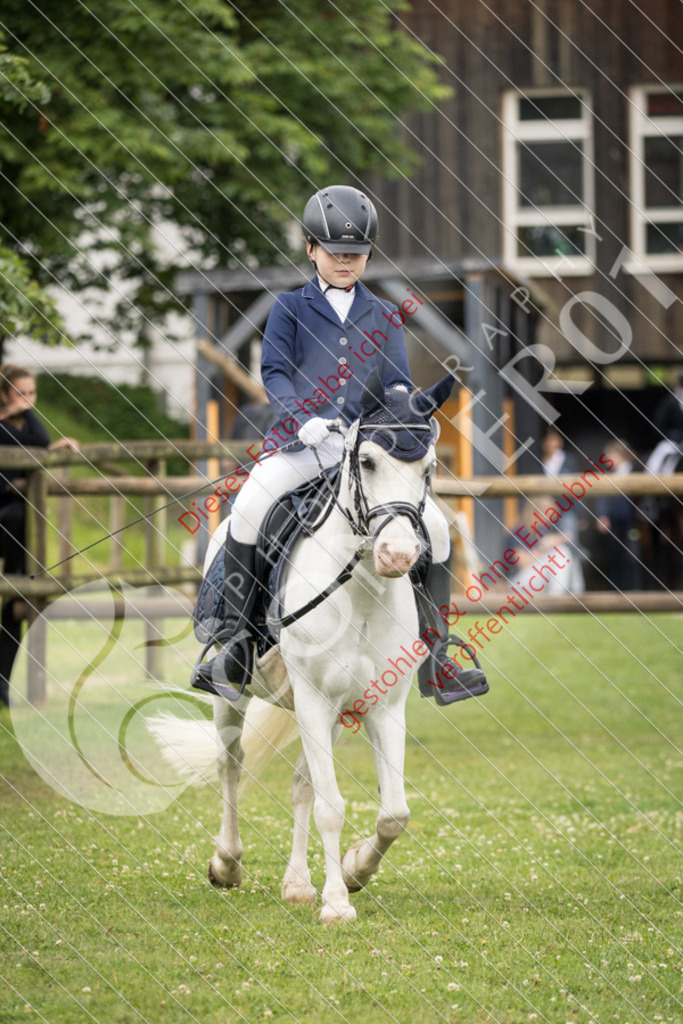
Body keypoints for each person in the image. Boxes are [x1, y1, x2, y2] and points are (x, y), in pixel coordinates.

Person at [193, 184, 488, 704]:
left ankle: (438, 658)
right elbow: (276, 373)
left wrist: (401, 416)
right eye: (335, 252)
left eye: (355, 254)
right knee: (248, 509)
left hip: (365, 452)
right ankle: (236, 645)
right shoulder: (288, 307)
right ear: (312, 249)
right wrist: (302, 417)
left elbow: (396, 382)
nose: (346, 261)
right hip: (299, 445)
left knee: (437, 529)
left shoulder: (384, 314)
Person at [0, 365, 79, 706]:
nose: (28, 401)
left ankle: (3, 684)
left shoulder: (24, 426)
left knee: (16, 603)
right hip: (9, 517)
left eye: (32, 393)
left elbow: (41, 442)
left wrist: (27, 416)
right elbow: (29, 443)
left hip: (17, 523)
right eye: (20, 393)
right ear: (5, 394)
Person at [594, 440, 643, 591]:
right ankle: (615, 593)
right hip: (614, 524)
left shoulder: (637, 471)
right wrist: (603, 515)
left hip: (634, 523)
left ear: (619, 454)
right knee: (615, 558)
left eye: (610, 454)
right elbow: (602, 497)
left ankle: (635, 591)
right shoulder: (610, 474)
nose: (608, 458)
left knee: (632, 557)